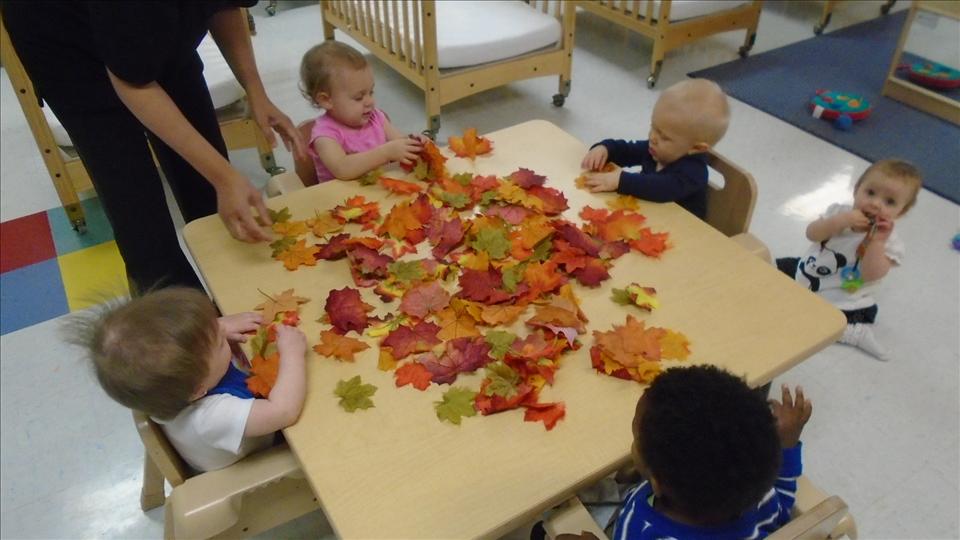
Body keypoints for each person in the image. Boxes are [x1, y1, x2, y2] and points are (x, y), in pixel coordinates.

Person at [2, 2, 307, 294]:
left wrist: (256, 91)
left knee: (209, 194)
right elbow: (134, 83)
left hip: (153, 32)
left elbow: (223, 5)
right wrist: (225, 177)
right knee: (142, 226)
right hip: (69, 51)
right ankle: (182, 324)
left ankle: (237, 295)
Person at [64, 287, 307, 472]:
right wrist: (292, 353)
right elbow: (284, 411)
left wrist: (215, 330)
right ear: (198, 389)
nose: (220, 331)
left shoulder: (170, 385)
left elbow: (181, 346)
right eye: (219, 342)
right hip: (256, 462)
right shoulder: (212, 418)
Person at [610, 365, 811, 539]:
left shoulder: (637, 531)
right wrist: (787, 444)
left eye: (636, 437)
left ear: (656, 483)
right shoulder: (758, 495)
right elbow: (782, 509)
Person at [776, 159, 922, 361]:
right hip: (808, 271)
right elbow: (812, 234)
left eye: (890, 202)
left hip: (841, 296)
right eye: (870, 193)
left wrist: (877, 243)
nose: (876, 203)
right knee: (773, 272)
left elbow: (871, 274)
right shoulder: (838, 212)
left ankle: (854, 334)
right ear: (856, 190)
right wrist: (840, 221)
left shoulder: (890, 242)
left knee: (822, 323)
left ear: (901, 211)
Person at [580, 79, 730, 220]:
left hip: (681, 234)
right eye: (653, 127)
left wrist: (621, 180)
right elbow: (628, 150)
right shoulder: (657, 148)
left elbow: (661, 188)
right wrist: (606, 149)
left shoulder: (694, 172)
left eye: (664, 137)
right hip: (650, 220)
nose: (652, 137)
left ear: (696, 147)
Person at [299, 41, 423, 183]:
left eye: (371, 92)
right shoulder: (325, 135)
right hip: (341, 201)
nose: (370, 101)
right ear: (327, 100)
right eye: (359, 97)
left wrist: (415, 144)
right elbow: (342, 169)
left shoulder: (376, 117)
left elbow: (400, 142)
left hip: (379, 190)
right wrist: (385, 153)